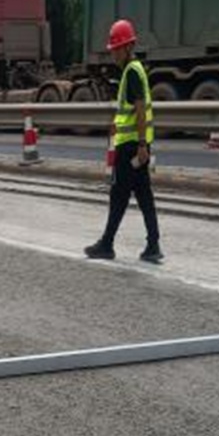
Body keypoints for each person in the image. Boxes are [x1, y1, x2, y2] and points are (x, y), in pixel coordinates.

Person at [85, 19, 163, 263]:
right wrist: (119, 125)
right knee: (143, 194)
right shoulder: (135, 70)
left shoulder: (131, 72)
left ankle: (107, 244)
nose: (113, 54)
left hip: (131, 146)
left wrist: (141, 145)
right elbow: (131, 110)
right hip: (135, 144)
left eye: (117, 49)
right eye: (113, 49)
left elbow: (139, 109)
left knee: (118, 195)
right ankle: (153, 245)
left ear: (127, 47)